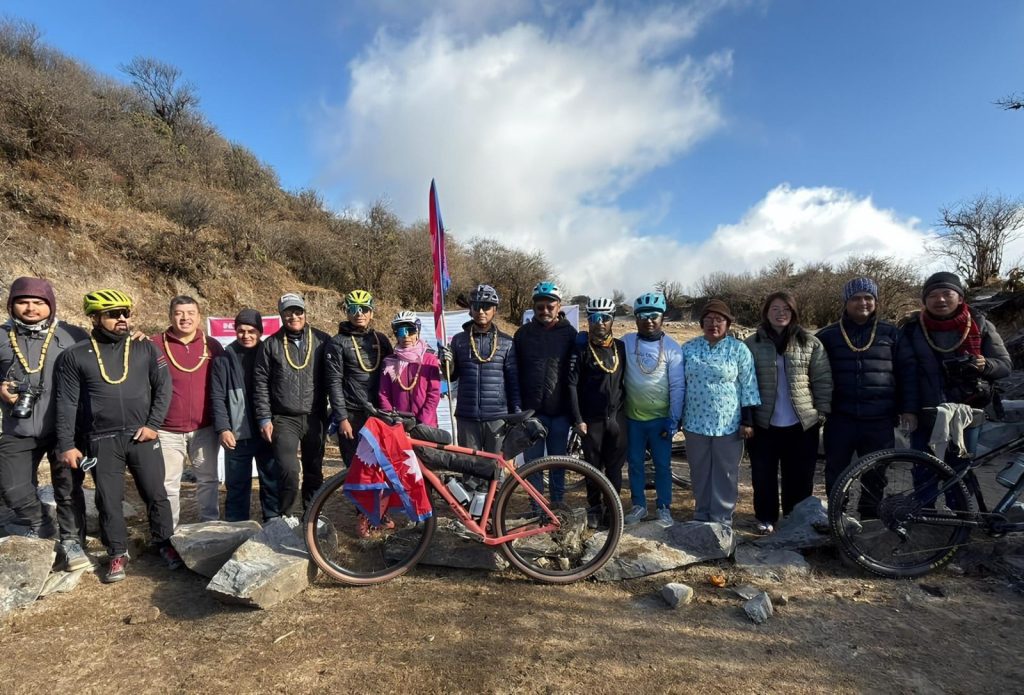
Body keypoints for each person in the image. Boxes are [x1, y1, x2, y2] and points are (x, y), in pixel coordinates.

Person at [55, 289, 181, 583]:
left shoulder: (145, 347)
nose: (122, 318)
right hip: (100, 438)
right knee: (108, 499)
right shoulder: (75, 355)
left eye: (126, 313)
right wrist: (67, 444)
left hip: (142, 435)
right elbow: (67, 403)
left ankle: (164, 542)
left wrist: (153, 424)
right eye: (113, 314)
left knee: (156, 493)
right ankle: (116, 552)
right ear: (95, 318)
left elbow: (164, 387)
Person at [0, 277, 90, 570]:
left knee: (67, 488)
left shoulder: (72, 334)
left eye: (38, 302)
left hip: (65, 428)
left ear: (50, 305)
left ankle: (73, 540)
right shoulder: (2, 336)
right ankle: (41, 525)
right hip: (18, 428)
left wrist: (133, 337)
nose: (31, 308)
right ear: (11, 305)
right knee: (12, 488)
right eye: (23, 302)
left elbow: (103, 360)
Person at [816, 277, 917, 497]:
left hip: (879, 419)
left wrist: (908, 409)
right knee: (836, 472)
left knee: (876, 474)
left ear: (875, 301)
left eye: (868, 297)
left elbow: (907, 372)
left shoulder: (891, 333)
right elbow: (812, 374)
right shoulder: (827, 335)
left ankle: (870, 515)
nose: (863, 303)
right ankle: (836, 513)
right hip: (840, 418)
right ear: (846, 302)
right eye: (856, 298)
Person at [900, 272, 1011, 464]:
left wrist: (986, 365)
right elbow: (904, 374)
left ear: (960, 298)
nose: (940, 300)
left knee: (961, 472)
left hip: (968, 411)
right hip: (925, 412)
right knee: (924, 470)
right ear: (924, 301)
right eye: (933, 295)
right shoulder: (911, 329)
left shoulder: (979, 324)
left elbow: (1005, 365)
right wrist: (908, 410)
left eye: (947, 294)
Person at [745, 291, 832, 534]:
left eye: (786, 309)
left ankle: (796, 518)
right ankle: (766, 517)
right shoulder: (751, 344)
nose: (780, 313)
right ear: (766, 313)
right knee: (763, 475)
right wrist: (748, 418)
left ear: (793, 312)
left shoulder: (810, 342)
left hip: (802, 423)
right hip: (764, 423)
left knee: (800, 476)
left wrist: (821, 412)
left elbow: (822, 379)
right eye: (775, 308)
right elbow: (744, 382)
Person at [681, 299, 760, 527]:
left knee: (726, 472)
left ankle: (721, 518)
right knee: (699, 470)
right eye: (708, 319)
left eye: (719, 320)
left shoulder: (738, 349)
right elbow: (678, 384)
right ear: (701, 323)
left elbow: (749, 385)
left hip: (728, 423)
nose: (713, 324)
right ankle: (701, 514)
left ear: (727, 323)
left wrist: (748, 420)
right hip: (695, 422)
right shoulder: (688, 348)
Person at [253, 293, 331, 518]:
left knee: (314, 470)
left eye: (298, 312)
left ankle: (313, 516)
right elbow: (260, 383)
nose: (294, 317)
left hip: (315, 415)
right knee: (289, 471)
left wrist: (338, 411)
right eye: (288, 313)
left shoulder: (322, 340)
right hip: (284, 418)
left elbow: (334, 377)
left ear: (305, 313)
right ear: (281, 315)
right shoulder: (270, 345)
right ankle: (285, 515)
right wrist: (264, 418)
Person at [151, 295, 224, 526]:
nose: (185, 318)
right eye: (179, 313)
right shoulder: (153, 344)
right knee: (168, 484)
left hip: (205, 428)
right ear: (170, 316)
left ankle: (209, 525)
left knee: (208, 480)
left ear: (199, 316)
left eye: (191, 313)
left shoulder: (212, 345)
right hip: (167, 430)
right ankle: (169, 531)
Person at [209, 309, 280, 522]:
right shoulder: (224, 358)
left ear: (260, 332)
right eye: (241, 330)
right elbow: (217, 397)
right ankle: (236, 525)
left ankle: (273, 522)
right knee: (237, 484)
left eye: (251, 331)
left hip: (267, 430)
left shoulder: (270, 354)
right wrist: (223, 428)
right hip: (237, 432)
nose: (246, 335)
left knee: (272, 481)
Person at [621, 292, 684, 528]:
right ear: (636, 318)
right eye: (643, 316)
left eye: (654, 316)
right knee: (635, 464)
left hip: (661, 420)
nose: (649, 320)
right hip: (633, 419)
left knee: (663, 465)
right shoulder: (626, 342)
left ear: (662, 317)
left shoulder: (673, 348)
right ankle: (638, 505)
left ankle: (664, 507)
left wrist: (674, 419)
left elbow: (677, 386)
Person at [567, 297, 627, 529]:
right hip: (591, 420)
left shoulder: (620, 347)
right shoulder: (580, 349)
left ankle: (613, 509)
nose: (599, 322)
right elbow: (571, 385)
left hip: (617, 418)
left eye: (605, 318)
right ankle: (594, 507)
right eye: (594, 318)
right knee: (592, 467)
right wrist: (578, 419)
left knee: (614, 467)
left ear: (612, 320)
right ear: (588, 320)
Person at [514, 281, 577, 500]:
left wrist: (574, 413)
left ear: (559, 306)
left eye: (550, 306)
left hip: (560, 413)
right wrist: (518, 409)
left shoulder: (570, 334)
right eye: (540, 307)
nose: (545, 311)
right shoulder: (523, 334)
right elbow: (514, 372)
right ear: (533, 307)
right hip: (532, 413)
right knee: (533, 466)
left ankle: (557, 506)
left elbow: (576, 376)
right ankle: (537, 509)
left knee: (558, 464)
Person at [442, 284, 520, 453]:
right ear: (470, 310)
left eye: (486, 307)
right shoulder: (459, 340)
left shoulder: (507, 342)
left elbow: (513, 382)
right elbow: (452, 376)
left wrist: (516, 415)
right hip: (467, 416)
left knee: (497, 467)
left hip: (498, 418)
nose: (481, 311)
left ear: (495, 310)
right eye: (477, 306)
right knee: (469, 466)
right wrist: (446, 364)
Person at [325, 289, 393, 465]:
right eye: (353, 309)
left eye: (364, 309)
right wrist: (342, 418)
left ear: (372, 312)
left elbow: (393, 374)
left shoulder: (381, 339)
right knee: (354, 465)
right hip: (352, 413)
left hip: (379, 412)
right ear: (347, 312)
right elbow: (334, 382)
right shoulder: (337, 342)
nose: (359, 314)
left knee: (382, 465)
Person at [378, 311, 441, 427]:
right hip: (398, 424)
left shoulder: (430, 359)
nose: (406, 336)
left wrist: (422, 422)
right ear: (396, 334)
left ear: (417, 332)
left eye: (410, 331)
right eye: (401, 331)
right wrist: (392, 419)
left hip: (426, 424)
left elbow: (434, 394)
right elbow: (384, 394)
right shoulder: (389, 361)